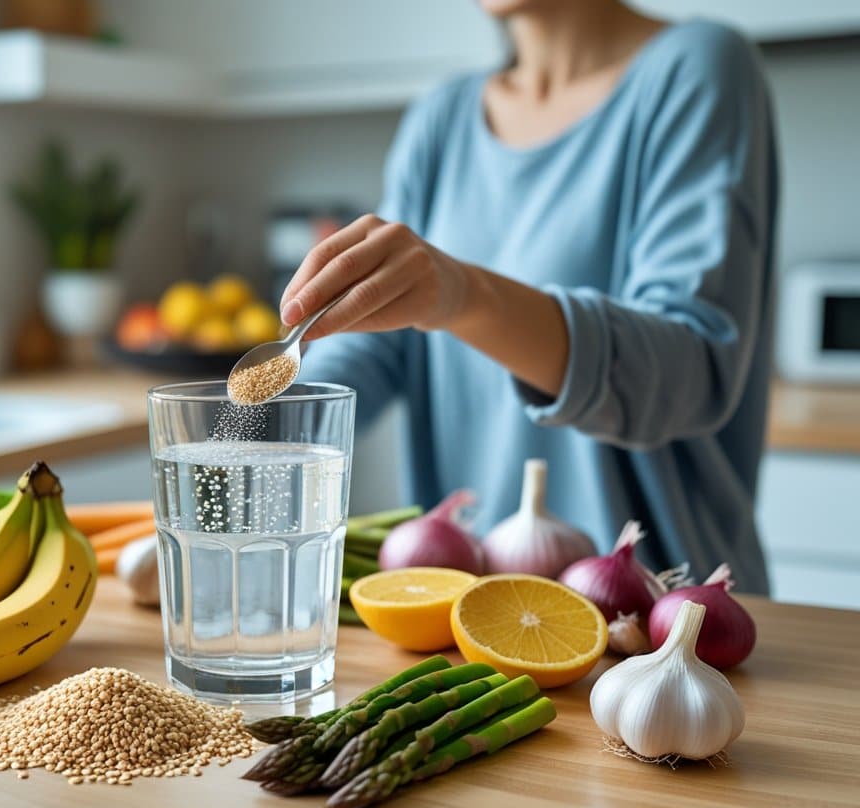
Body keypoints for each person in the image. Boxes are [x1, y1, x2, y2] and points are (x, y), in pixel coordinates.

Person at [288, 0, 778, 593]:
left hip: (656, 619)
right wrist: (268, 431)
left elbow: (691, 370)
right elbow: (382, 345)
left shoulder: (698, 67)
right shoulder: (441, 117)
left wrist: (468, 295)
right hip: (473, 613)